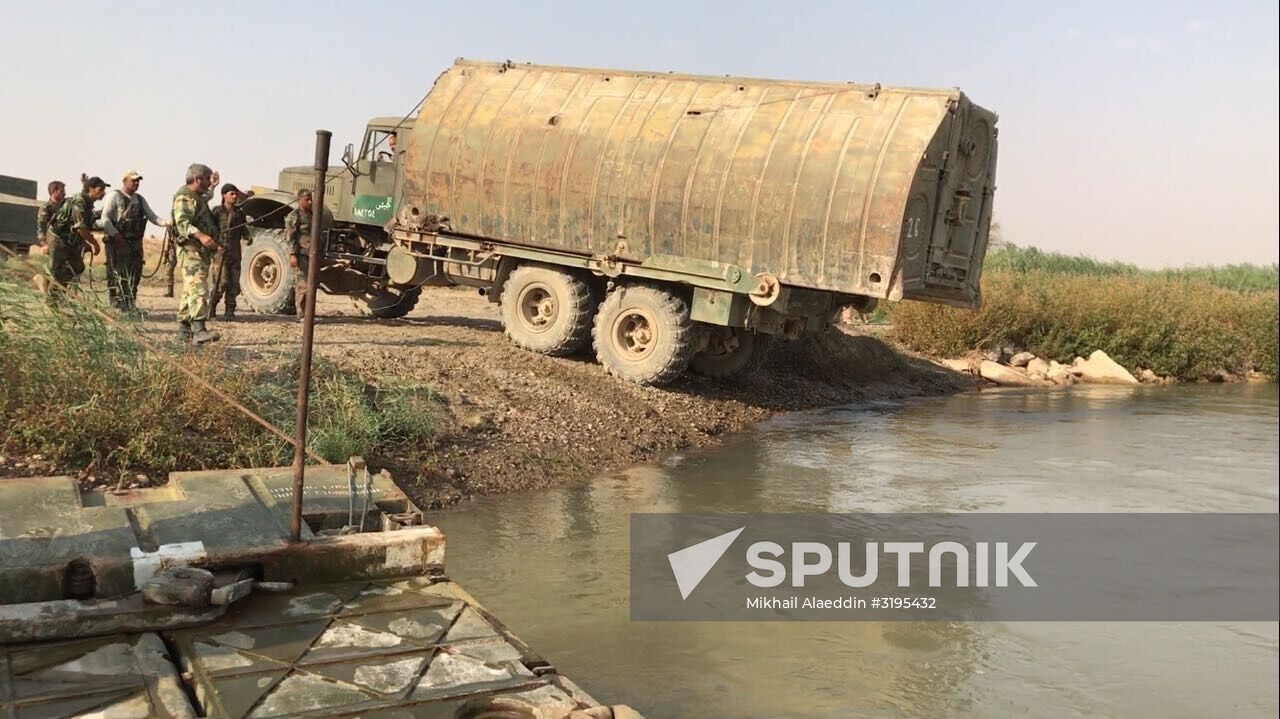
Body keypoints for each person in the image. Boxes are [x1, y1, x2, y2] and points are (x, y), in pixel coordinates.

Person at [100, 170, 170, 312]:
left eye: (138, 181)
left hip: (135, 243)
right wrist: (115, 234)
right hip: (119, 243)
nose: (136, 183)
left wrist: (167, 223)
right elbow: (105, 217)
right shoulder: (114, 196)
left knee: (135, 274)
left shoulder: (140, 199)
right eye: (133, 180)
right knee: (119, 273)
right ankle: (119, 304)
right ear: (125, 181)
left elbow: (152, 217)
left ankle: (130, 303)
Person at [170, 164, 222, 344]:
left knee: (189, 290)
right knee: (199, 288)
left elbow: (204, 198)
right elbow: (182, 223)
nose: (208, 183)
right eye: (207, 179)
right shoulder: (184, 197)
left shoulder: (196, 197)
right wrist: (201, 236)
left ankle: (183, 332)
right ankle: (199, 330)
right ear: (198, 179)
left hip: (198, 251)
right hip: (190, 250)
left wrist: (213, 187)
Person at [45, 176, 106, 303]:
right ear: (91, 189)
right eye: (100, 189)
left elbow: (86, 224)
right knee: (59, 272)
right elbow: (80, 228)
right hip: (59, 240)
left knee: (77, 267)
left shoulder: (88, 204)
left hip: (70, 241)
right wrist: (94, 243)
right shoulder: (79, 202)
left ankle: (55, 293)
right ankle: (52, 302)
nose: (103, 193)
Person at [283, 188, 332, 320]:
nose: (310, 202)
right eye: (307, 200)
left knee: (312, 285)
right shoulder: (294, 216)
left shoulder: (313, 215)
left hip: (313, 255)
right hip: (302, 255)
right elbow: (290, 237)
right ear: (299, 200)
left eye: (311, 199)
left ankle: (309, 313)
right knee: (303, 285)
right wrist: (292, 254)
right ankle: (301, 314)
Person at [208, 183, 253, 321]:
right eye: (231, 194)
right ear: (224, 195)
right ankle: (211, 309)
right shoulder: (217, 211)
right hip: (220, 253)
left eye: (235, 194)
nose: (234, 196)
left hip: (235, 252)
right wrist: (216, 245)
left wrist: (248, 237)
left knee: (234, 284)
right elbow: (210, 230)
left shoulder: (239, 213)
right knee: (221, 283)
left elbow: (243, 229)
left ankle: (230, 312)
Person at [36, 180, 67, 247]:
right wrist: (44, 244)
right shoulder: (46, 207)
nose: (64, 193)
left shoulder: (66, 205)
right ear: (54, 191)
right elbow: (41, 227)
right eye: (61, 191)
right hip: (53, 242)